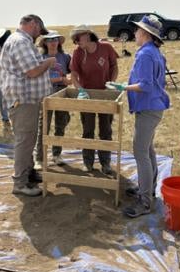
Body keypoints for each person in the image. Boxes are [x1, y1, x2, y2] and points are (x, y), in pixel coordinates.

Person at [108, 14, 170, 218]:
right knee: (148, 150)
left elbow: (146, 85)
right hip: (154, 106)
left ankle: (144, 202)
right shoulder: (155, 52)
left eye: (137, 30)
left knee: (140, 152)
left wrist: (123, 87)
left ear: (144, 33)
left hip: (148, 108)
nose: (134, 33)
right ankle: (149, 189)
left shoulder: (145, 54)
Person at [0, 14, 55, 196]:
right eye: (39, 31)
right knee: (24, 140)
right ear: (33, 24)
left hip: (27, 100)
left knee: (28, 138)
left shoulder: (21, 41)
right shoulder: (20, 42)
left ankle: (28, 173)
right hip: (23, 100)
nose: (39, 35)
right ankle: (20, 183)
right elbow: (32, 71)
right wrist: (49, 62)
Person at [70, 24, 119, 175]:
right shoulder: (78, 52)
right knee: (88, 130)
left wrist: (111, 83)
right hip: (87, 96)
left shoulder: (106, 48)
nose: (77, 41)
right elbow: (73, 74)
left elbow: (114, 66)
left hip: (105, 95)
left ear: (87, 35)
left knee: (106, 129)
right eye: (75, 39)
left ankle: (106, 163)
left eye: (78, 37)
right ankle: (88, 163)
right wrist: (80, 90)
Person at [34, 30, 72, 169]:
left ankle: (56, 155)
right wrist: (60, 79)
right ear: (44, 42)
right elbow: (37, 77)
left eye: (55, 39)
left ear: (59, 42)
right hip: (45, 94)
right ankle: (39, 158)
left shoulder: (65, 57)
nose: (53, 42)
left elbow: (72, 73)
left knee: (60, 126)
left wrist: (68, 80)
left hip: (62, 93)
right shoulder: (40, 58)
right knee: (44, 126)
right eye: (49, 40)